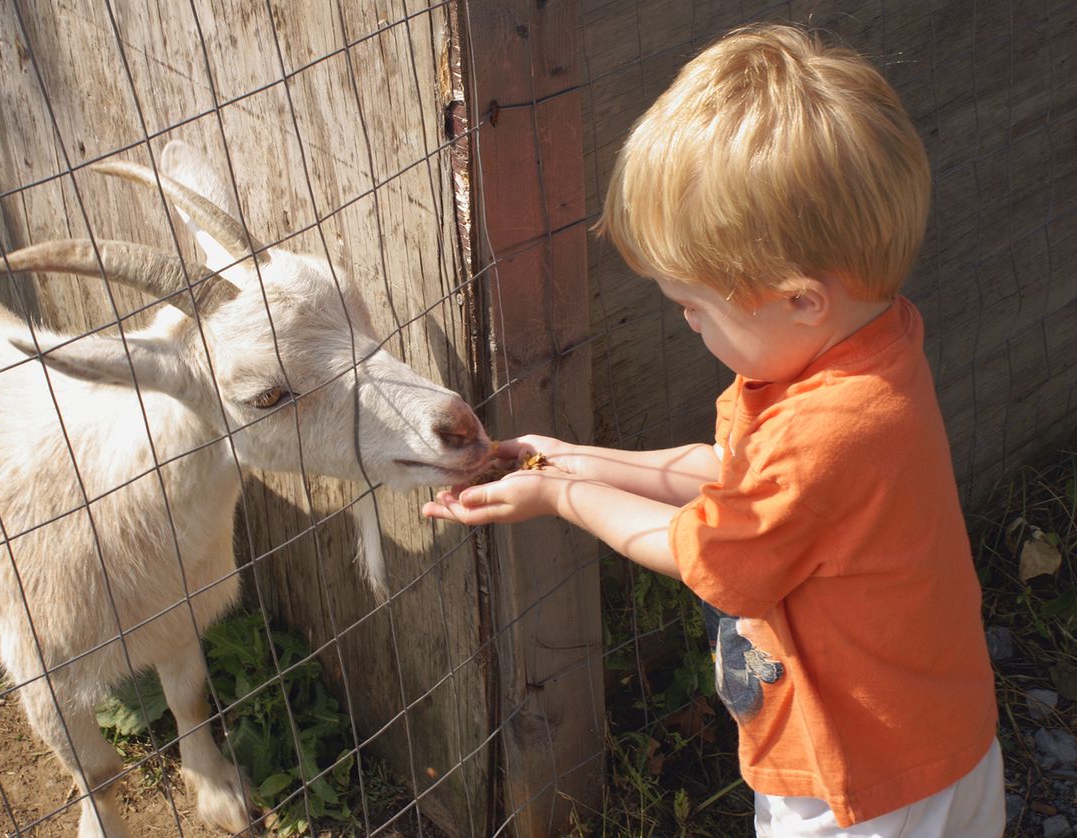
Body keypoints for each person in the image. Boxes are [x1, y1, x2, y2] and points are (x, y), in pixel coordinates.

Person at [423, 22, 1004, 837]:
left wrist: (566, 500)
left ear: (801, 297)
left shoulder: (827, 429)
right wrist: (572, 458)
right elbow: (731, 471)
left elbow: (698, 553)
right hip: (922, 742)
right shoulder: (866, 353)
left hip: (864, 785)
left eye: (694, 307)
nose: (690, 326)